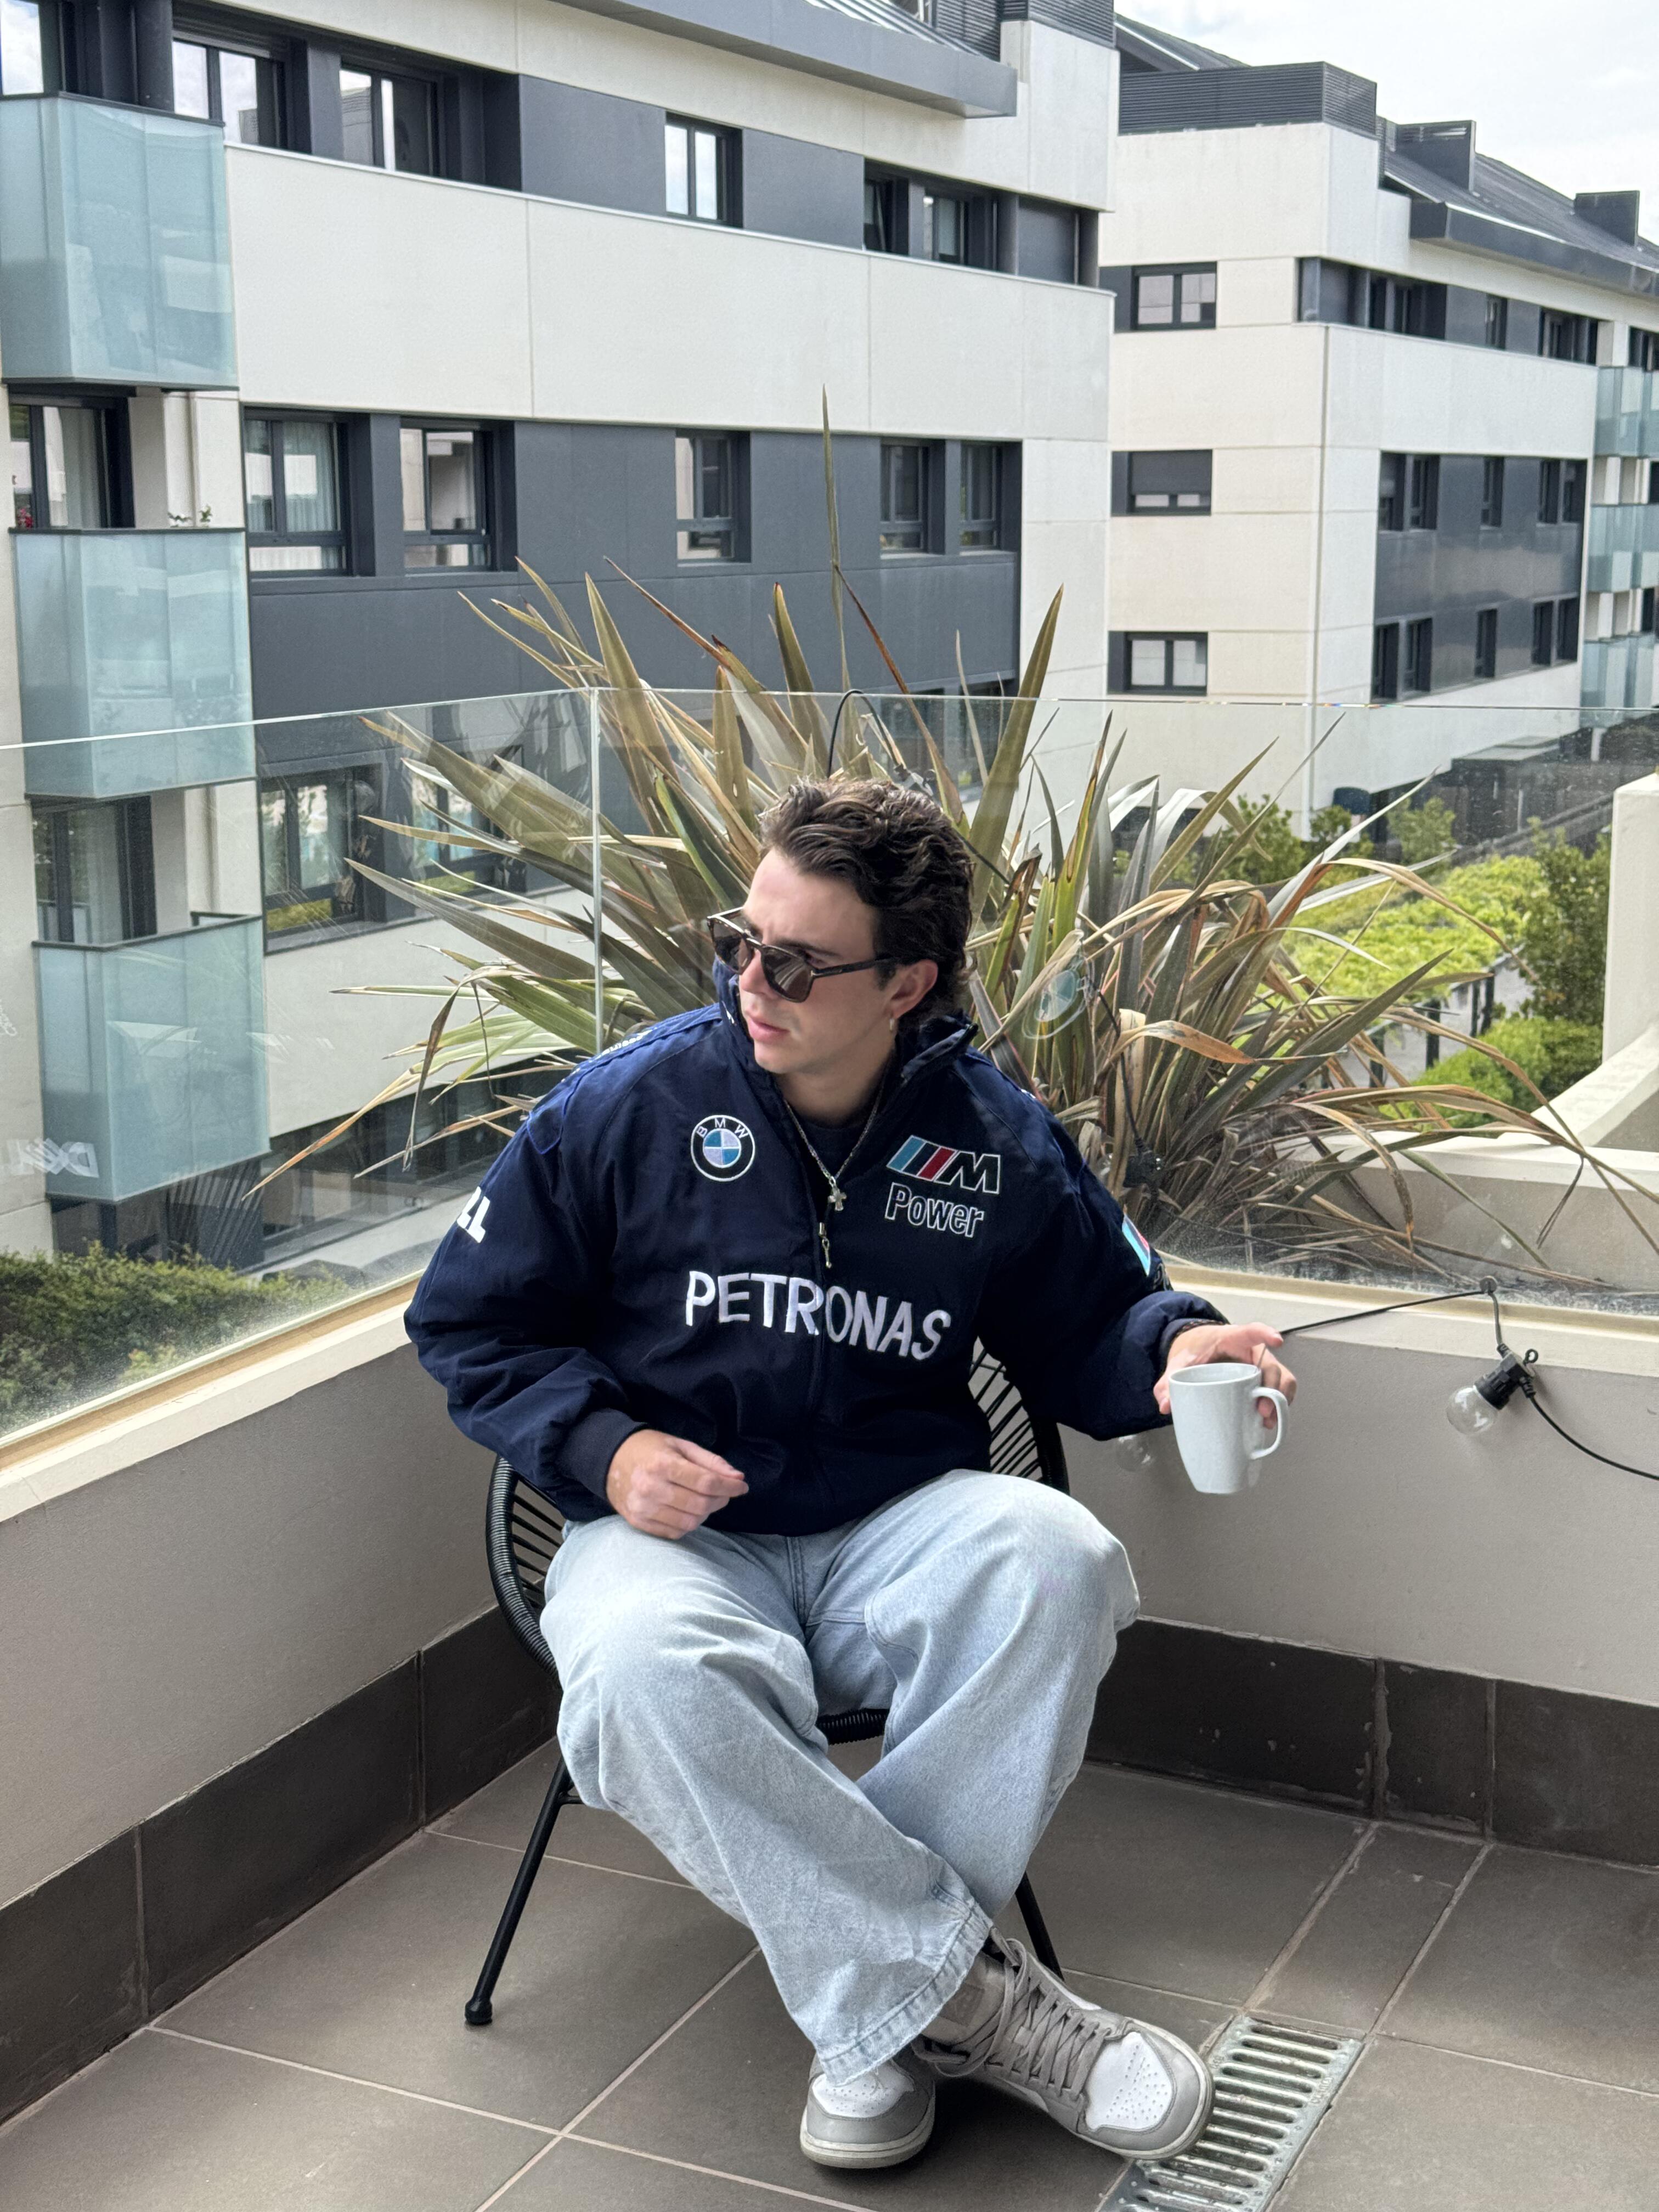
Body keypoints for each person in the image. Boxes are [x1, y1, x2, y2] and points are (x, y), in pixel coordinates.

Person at [408, 778, 1296, 2172]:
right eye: (739, 942)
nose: (751, 984)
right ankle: (981, 2011)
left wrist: (1179, 1351)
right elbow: (468, 1319)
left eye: (798, 963)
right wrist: (605, 1447)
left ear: (909, 983)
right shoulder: (623, 1112)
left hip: (895, 1517)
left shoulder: (991, 1140)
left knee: (1059, 1561)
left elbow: (1095, 1319)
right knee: (639, 1674)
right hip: (671, 1536)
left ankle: (871, 2014)